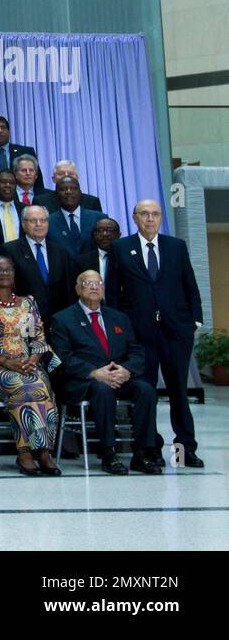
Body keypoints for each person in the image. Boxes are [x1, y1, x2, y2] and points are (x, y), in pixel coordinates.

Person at [114, 199, 203, 467]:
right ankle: (151, 448)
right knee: (147, 392)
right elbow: (114, 292)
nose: (150, 219)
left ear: (161, 217)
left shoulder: (176, 246)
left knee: (178, 392)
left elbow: (190, 284)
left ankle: (185, 450)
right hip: (141, 335)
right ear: (134, 217)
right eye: (144, 214)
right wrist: (121, 332)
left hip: (176, 331)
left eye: (155, 214)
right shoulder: (122, 247)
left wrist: (195, 321)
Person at [50, 271, 161, 475]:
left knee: (146, 390)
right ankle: (108, 452)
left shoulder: (119, 317)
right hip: (84, 381)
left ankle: (142, 453)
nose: (94, 287)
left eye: (98, 283)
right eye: (88, 283)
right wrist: (93, 372)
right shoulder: (62, 319)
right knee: (102, 390)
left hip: (119, 376)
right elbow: (61, 358)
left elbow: (136, 350)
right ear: (78, 289)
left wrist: (127, 370)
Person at [0, 255, 61, 476]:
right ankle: (25, 453)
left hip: (28, 363)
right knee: (23, 387)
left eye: (9, 270)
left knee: (42, 385)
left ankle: (44, 451)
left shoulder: (27, 303)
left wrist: (33, 360)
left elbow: (37, 336)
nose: (5, 274)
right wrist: (8, 362)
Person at [0, 116, 41, 190]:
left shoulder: (26, 152)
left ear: (9, 132)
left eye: (3, 128)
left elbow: (38, 180)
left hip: (22, 198)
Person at [46, 176, 104, 256]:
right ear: (56, 194)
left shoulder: (99, 218)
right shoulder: (48, 222)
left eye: (73, 189)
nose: (69, 192)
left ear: (80, 193)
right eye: (63, 189)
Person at [75, 216, 120, 307]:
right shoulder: (81, 262)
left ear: (119, 235)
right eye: (99, 231)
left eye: (110, 230)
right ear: (93, 236)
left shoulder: (128, 258)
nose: (105, 234)